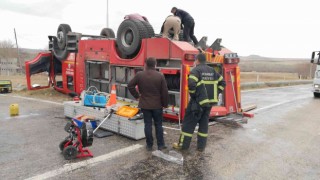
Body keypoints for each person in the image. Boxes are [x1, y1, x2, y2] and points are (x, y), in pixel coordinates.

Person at [173, 53, 226, 151]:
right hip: (209, 104)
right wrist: (216, 93)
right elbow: (223, 83)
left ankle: (183, 146)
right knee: (203, 124)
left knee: (188, 124)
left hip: (197, 103)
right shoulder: (212, 70)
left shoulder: (196, 70)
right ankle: (201, 147)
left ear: (197, 60)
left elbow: (191, 85)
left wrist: (194, 96)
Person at [128, 57, 169, 151]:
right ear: (155, 65)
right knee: (158, 125)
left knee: (148, 125)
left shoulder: (139, 75)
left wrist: (137, 96)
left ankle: (149, 145)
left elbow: (130, 85)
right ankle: (160, 145)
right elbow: (164, 92)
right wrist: (165, 104)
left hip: (145, 104)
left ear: (145, 64)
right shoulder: (160, 75)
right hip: (157, 105)